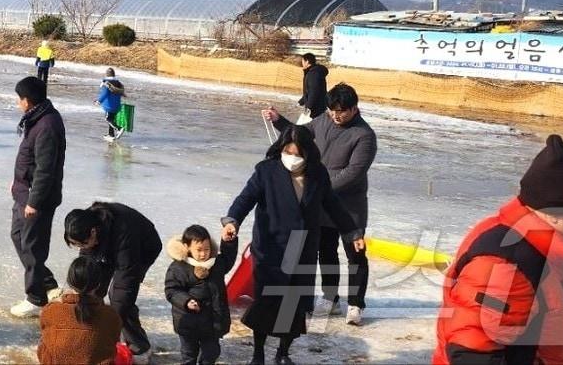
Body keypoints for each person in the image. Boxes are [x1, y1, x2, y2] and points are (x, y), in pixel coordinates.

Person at [434, 135, 563, 365]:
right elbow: (472, 353)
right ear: (555, 214)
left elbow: (555, 328)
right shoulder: (507, 264)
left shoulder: (555, 253)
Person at [222, 125, 363, 365]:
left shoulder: (318, 174)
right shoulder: (266, 171)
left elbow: (332, 205)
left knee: (293, 304)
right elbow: (245, 198)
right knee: (267, 302)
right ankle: (258, 353)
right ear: (281, 149)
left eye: (298, 153)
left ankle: (282, 353)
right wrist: (232, 220)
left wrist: (351, 232)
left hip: (303, 247)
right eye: (287, 151)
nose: (292, 157)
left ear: (308, 153)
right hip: (271, 246)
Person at [265, 82, 377, 324]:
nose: (336, 116)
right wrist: (278, 120)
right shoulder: (324, 120)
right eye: (332, 110)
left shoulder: (364, 135)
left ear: (354, 108)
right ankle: (331, 298)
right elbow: (299, 134)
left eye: (342, 111)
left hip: (349, 206)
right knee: (326, 251)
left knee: (355, 254)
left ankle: (356, 304)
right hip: (323, 205)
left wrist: (318, 187)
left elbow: (353, 172)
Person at [63, 202, 162, 360]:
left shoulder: (124, 232)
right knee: (91, 290)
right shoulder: (83, 225)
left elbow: (125, 284)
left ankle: (140, 348)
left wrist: (109, 324)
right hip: (107, 247)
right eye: (77, 245)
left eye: (83, 244)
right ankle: (91, 334)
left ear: (93, 232)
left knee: (120, 300)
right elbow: (86, 268)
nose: (82, 247)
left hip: (141, 249)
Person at [10, 76, 67, 318]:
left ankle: (35, 297)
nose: (17, 103)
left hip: (37, 199)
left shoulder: (47, 125)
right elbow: (29, 159)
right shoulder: (37, 118)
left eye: (19, 99)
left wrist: (34, 201)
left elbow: (46, 168)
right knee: (18, 236)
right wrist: (17, 181)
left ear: (27, 100)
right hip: (24, 192)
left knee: (32, 246)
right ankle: (47, 282)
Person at [165, 224, 239, 365]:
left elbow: (228, 258)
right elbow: (172, 290)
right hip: (188, 322)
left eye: (207, 249)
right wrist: (186, 301)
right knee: (189, 354)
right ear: (187, 247)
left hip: (212, 322)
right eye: (199, 250)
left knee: (211, 352)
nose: (203, 254)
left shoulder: (216, 264)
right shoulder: (178, 267)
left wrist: (228, 242)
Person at [37, 256, 121, 365]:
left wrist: (57, 301)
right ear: (98, 284)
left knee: (44, 340)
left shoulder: (51, 310)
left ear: (69, 281)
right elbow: (113, 341)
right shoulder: (111, 315)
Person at [95, 68, 126, 142]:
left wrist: (98, 101)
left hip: (109, 106)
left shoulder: (107, 84)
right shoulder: (118, 83)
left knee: (108, 118)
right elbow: (122, 93)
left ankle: (119, 128)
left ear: (107, 74)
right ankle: (111, 134)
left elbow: (104, 94)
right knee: (112, 119)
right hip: (116, 105)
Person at [298, 53, 329, 120]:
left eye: (303, 61)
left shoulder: (313, 73)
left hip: (316, 108)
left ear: (307, 61)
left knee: (312, 127)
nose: (302, 63)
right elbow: (308, 91)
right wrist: (302, 101)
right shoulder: (313, 72)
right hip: (317, 106)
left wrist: (309, 107)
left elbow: (314, 91)